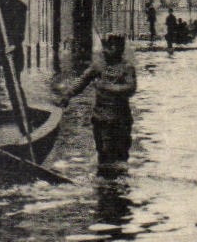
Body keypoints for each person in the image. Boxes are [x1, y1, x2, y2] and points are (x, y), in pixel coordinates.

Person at [57, 33, 137, 170]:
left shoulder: (126, 68)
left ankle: (119, 183)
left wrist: (107, 87)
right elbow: (82, 80)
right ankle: (103, 183)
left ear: (120, 48)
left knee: (120, 155)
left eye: (111, 46)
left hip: (120, 119)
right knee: (103, 154)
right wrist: (68, 94)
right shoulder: (98, 66)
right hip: (100, 117)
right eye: (105, 46)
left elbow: (130, 88)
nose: (105, 50)